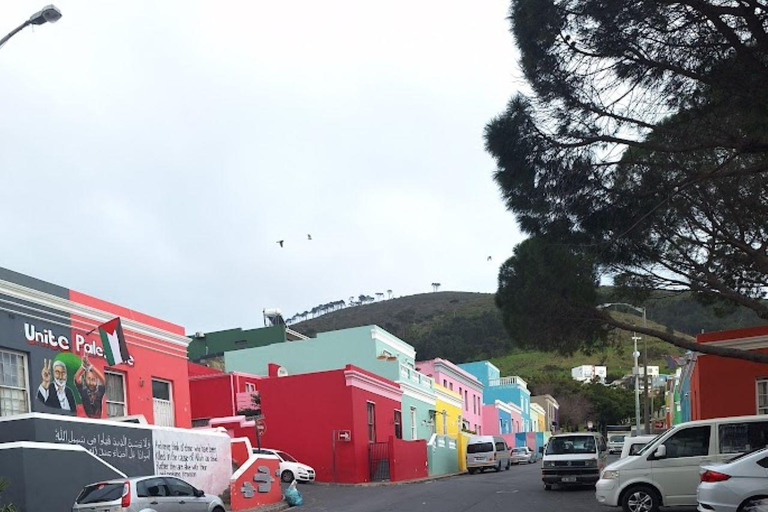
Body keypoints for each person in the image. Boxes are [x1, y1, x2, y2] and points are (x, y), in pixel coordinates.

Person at [74, 354, 107, 418]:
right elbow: (77, 377)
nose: (91, 382)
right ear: (85, 379)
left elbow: (103, 380)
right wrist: (83, 367)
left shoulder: (99, 390)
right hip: (86, 418)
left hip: (97, 419)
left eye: (93, 379)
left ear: (96, 380)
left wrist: (91, 366)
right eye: (89, 378)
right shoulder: (84, 391)